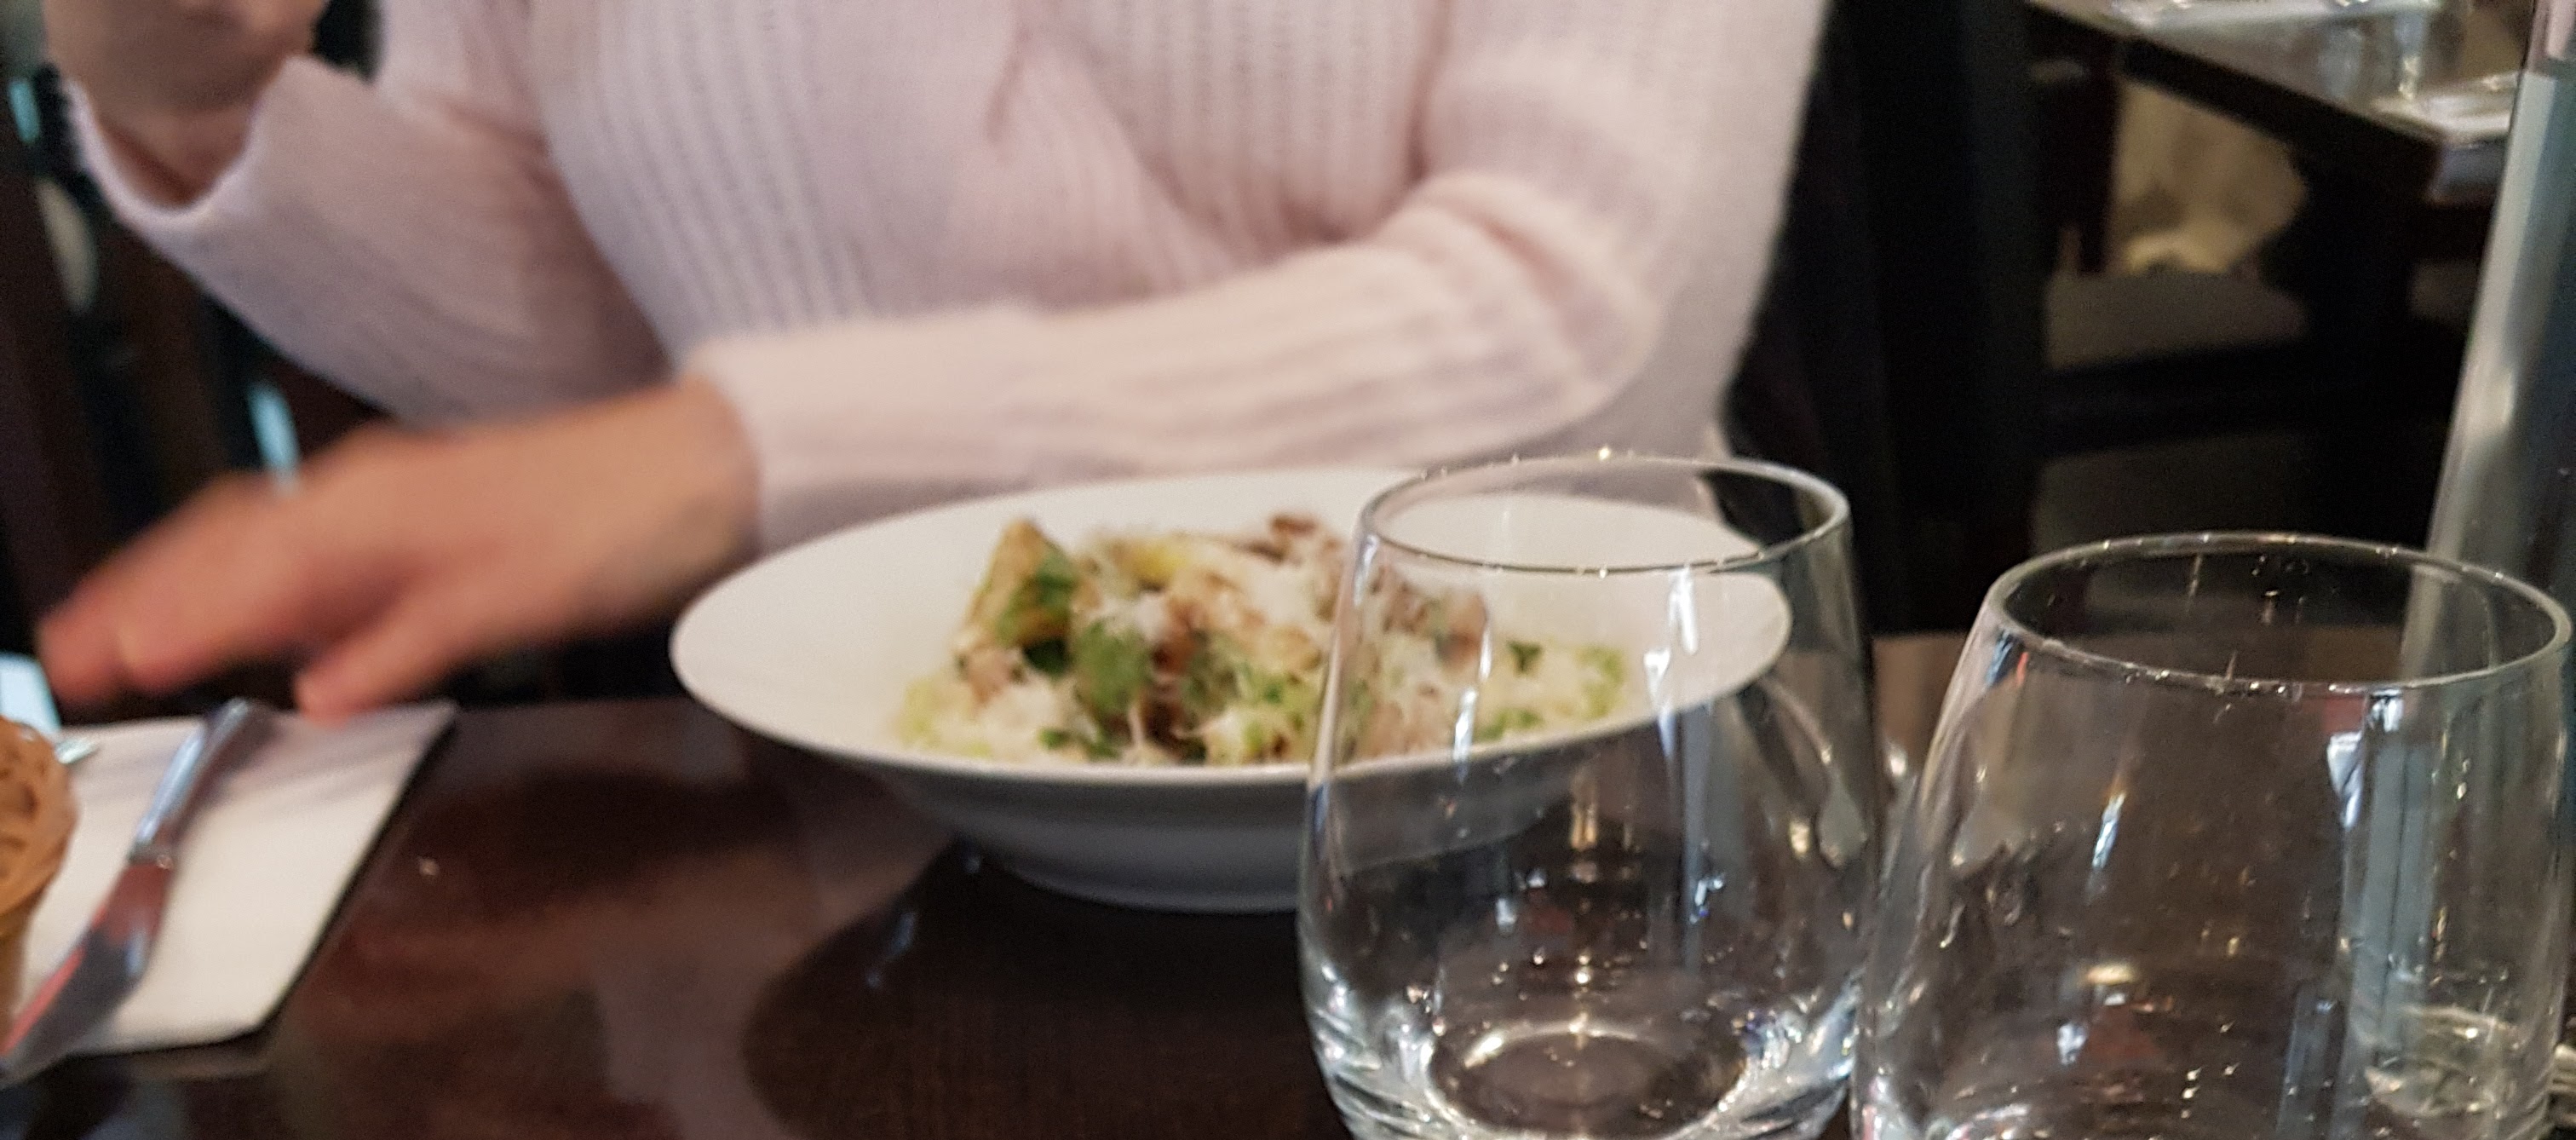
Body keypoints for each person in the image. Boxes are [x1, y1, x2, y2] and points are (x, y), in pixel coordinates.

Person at [37, 0, 1827, 718]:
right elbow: (603, 375)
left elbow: (1582, 325)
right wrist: (194, 106)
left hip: (1540, 807)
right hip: (829, 816)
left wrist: (744, 457)